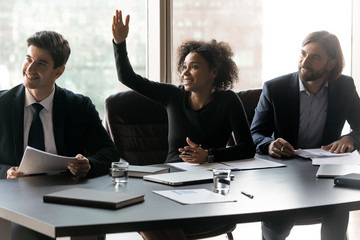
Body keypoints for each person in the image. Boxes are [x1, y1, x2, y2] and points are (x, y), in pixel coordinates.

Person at [112, 9, 255, 240]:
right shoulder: (172, 95)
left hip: (208, 185)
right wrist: (120, 43)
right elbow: (128, 77)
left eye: (195, 66)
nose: (186, 72)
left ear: (214, 72)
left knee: (163, 225)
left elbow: (248, 148)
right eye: (185, 66)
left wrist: (208, 155)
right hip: (169, 181)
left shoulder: (228, 101)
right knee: (145, 218)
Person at [0, 30, 118, 239]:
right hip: (18, 201)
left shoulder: (79, 107)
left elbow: (109, 152)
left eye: (41, 63)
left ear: (58, 71)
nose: (30, 68)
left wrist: (88, 164)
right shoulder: (2, 105)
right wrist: (6, 172)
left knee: (90, 231)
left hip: (69, 197)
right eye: (28, 59)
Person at [251, 30, 360, 240]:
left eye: (315, 57)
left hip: (326, 173)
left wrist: (351, 139)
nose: (305, 61)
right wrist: (269, 144)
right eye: (303, 53)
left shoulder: (345, 86)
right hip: (283, 173)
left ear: (330, 64)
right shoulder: (276, 88)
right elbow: (256, 133)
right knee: (277, 228)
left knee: (337, 223)